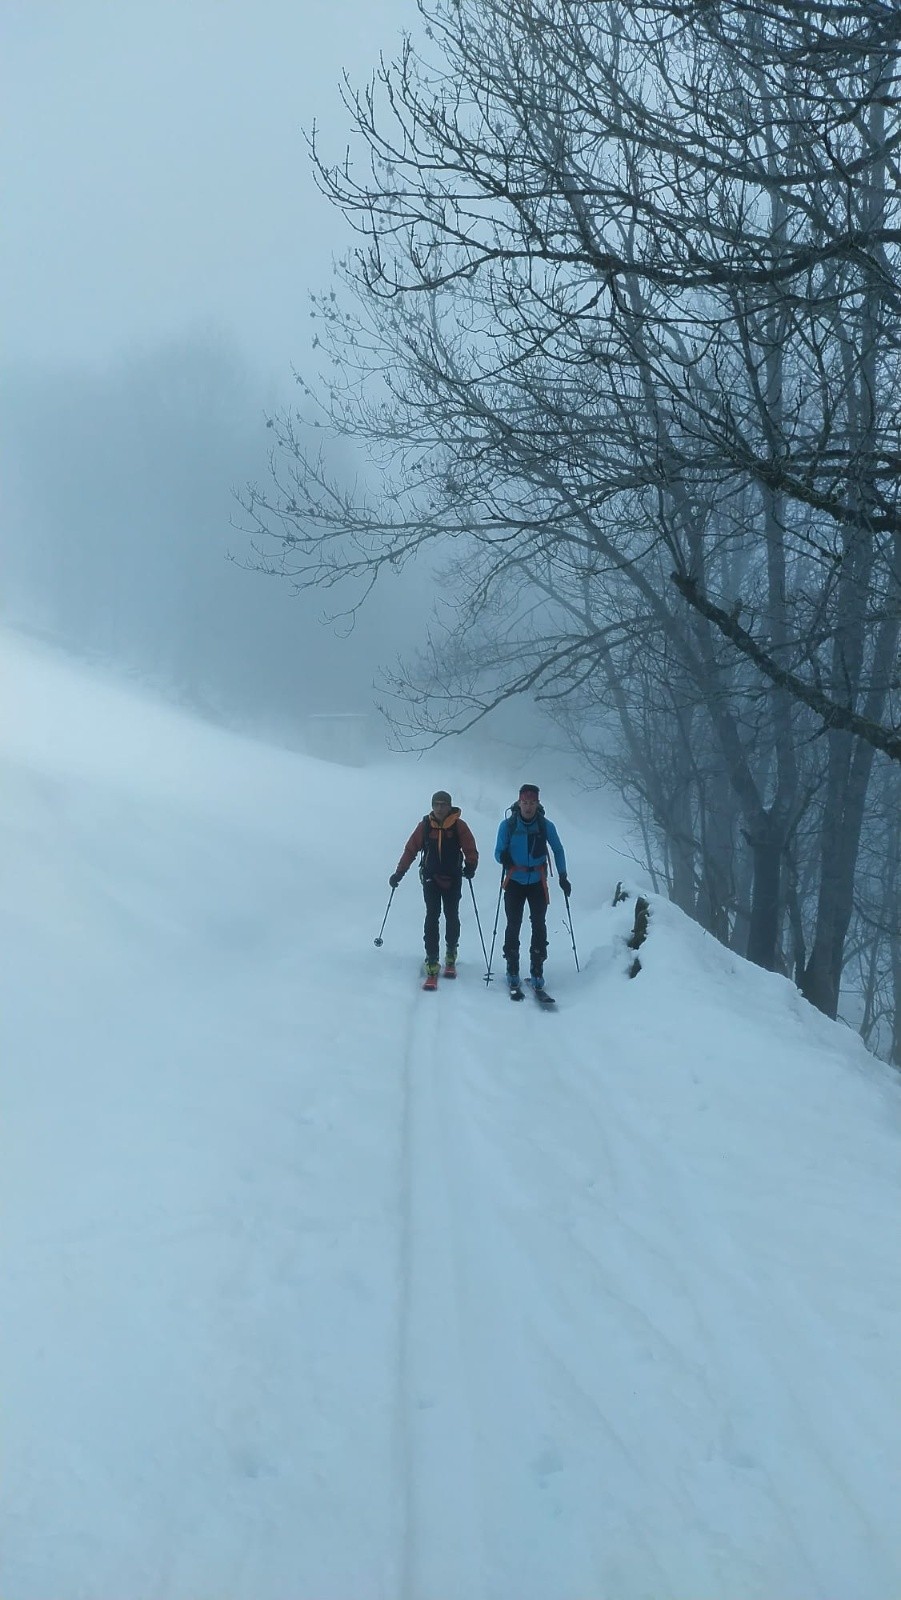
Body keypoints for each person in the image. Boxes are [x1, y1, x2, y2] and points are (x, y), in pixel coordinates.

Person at [390, 791, 479, 983]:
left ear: (449, 806)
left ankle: (450, 952)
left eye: (443, 804)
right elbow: (411, 849)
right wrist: (399, 873)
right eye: (436, 804)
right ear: (432, 806)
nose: (439, 808)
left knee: (452, 915)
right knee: (432, 916)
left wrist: (471, 865)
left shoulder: (459, 826)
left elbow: (470, 847)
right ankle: (432, 958)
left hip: (453, 877)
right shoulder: (425, 826)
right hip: (431, 877)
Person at [494, 783, 570, 993]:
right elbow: (498, 851)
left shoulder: (546, 826)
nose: (528, 807)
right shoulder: (508, 826)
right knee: (513, 923)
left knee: (538, 923)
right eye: (525, 803)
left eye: (532, 803)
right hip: (515, 882)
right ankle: (512, 966)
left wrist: (563, 876)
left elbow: (558, 849)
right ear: (519, 803)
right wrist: (504, 857)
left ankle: (537, 968)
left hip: (537, 882)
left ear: (538, 804)